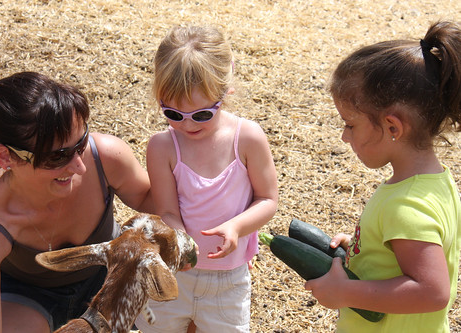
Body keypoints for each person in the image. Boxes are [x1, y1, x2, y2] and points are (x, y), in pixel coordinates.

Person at [0, 71, 154, 332]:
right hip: (28, 299)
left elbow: (153, 200)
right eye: (57, 157)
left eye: (81, 143)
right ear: (5, 157)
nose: (79, 167)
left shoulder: (105, 157)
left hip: (111, 278)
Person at [304, 21, 461, 332]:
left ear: (393, 128)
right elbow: (409, 255)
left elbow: (432, 292)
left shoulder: (406, 206)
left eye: (350, 124)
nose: (344, 137)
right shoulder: (436, 182)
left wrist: (344, 292)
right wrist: (366, 253)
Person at [134, 25, 278, 333]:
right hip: (174, 272)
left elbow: (267, 200)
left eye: (201, 115)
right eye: (172, 113)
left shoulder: (247, 138)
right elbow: (168, 211)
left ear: (226, 90)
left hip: (228, 281)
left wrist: (237, 227)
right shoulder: (162, 146)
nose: (187, 125)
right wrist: (180, 241)